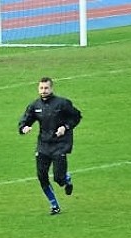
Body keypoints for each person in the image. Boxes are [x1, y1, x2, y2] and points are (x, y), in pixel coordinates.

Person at [18, 76, 82, 215]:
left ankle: (66, 179)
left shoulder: (62, 103)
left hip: (60, 145)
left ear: (51, 88)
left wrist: (65, 127)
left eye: (46, 88)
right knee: (42, 176)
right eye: (41, 88)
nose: (43, 91)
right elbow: (25, 121)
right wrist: (24, 128)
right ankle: (54, 206)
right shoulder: (35, 106)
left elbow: (76, 116)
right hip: (43, 145)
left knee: (59, 178)